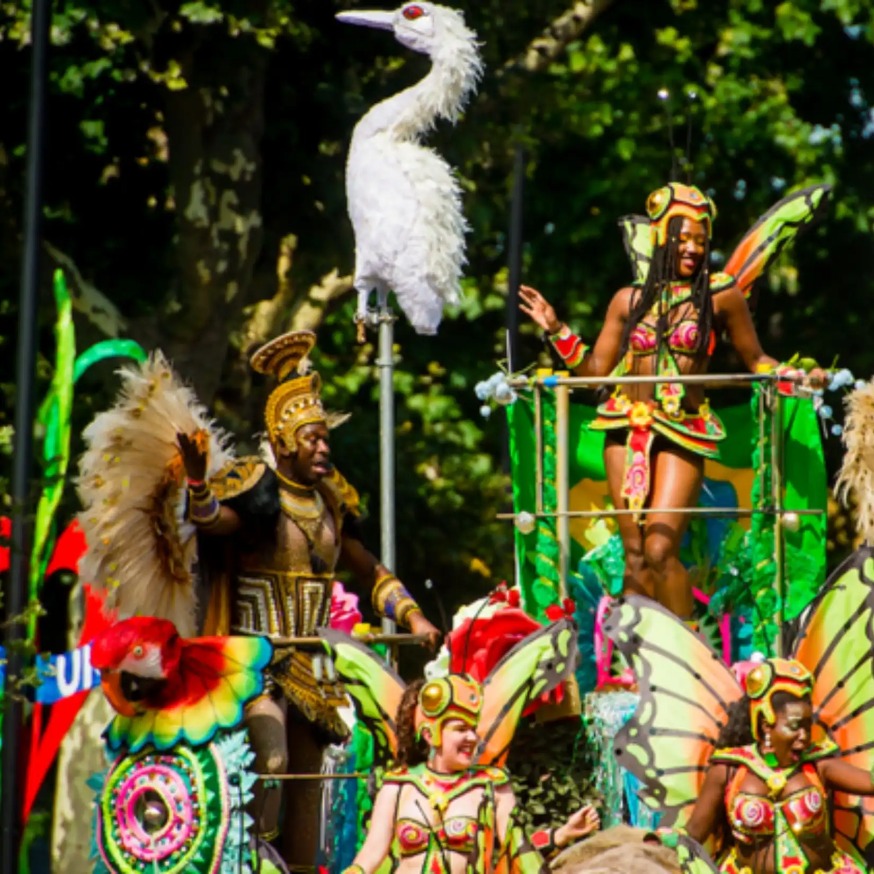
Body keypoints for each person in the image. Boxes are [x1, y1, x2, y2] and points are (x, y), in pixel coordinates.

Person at [176, 330, 442, 870]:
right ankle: (244, 862)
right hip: (256, 663)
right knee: (269, 760)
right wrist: (199, 483)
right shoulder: (256, 485)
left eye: (325, 438)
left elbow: (369, 570)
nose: (323, 448)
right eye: (312, 439)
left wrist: (413, 617)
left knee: (309, 790)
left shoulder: (330, 503)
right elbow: (213, 521)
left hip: (314, 667)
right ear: (283, 437)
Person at [518, 182, 822, 622]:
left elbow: (756, 359)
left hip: (683, 428)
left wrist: (791, 373)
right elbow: (593, 373)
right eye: (683, 238)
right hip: (624, 427)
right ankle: (633, 665)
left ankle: (690, 658)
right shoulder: (630, 300)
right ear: (663, 238)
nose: (693, 248)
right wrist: (555, 327)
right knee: (636, 553)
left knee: (661, 548)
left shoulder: (721, 295)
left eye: (701, 240)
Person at [342, 675, 601, 874]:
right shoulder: (398, 786)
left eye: (473, 729)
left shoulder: (491, 786)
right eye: (460, 729)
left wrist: (560, 835)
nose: (471, 737)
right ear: (431, 735)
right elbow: (370, 856)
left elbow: (518, 851)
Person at [677, 658, 874, 873]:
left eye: (808, 726)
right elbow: (694, 834)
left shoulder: (818, 764)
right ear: (766, 725)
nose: (804, 736)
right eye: (794, 727)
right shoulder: (729, 770)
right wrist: (658, 842)